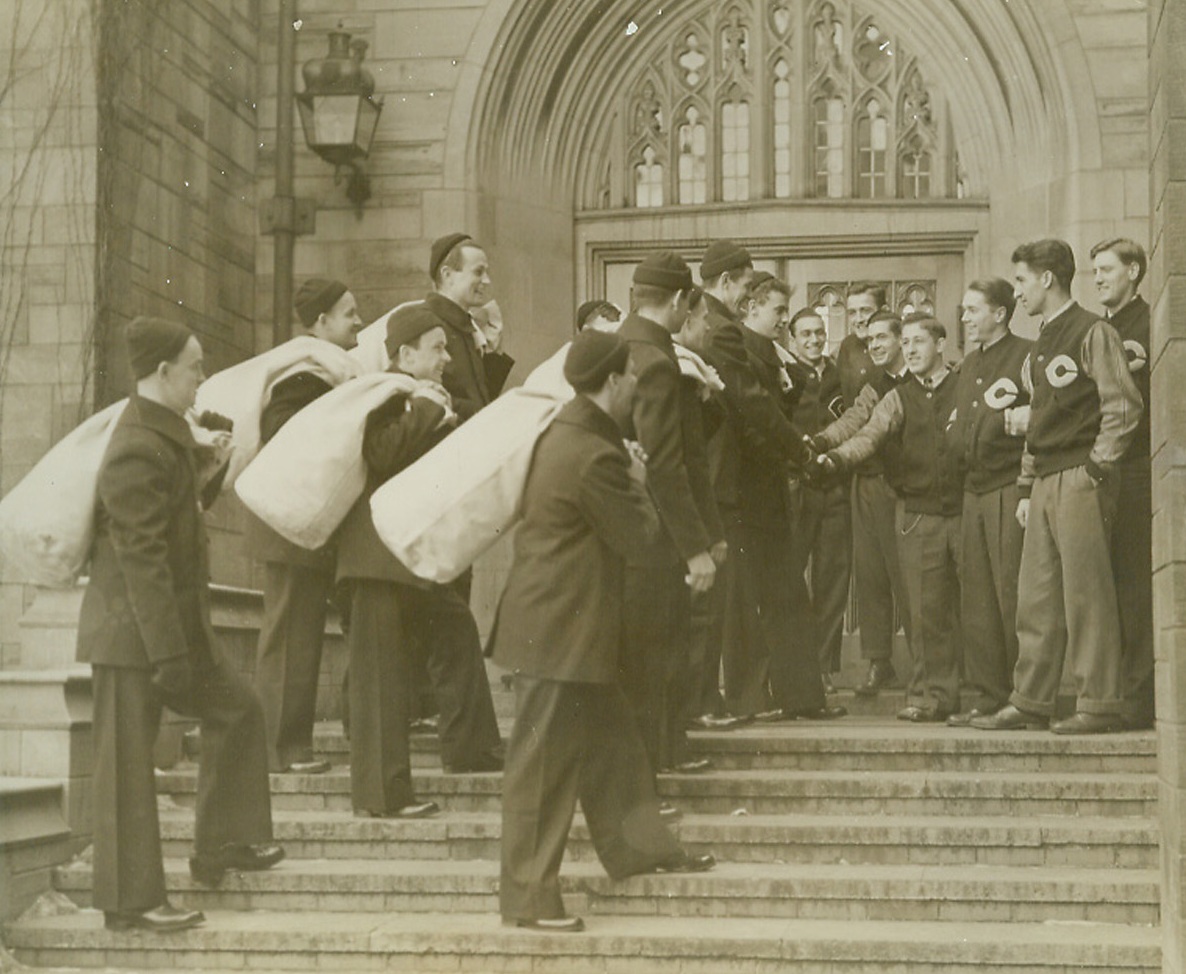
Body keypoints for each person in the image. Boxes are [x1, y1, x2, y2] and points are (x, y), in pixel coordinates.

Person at [494, 330, 715, 934]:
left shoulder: (575, 435)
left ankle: (641, 849)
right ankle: (528, 899)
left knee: (615, 749)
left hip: (566, 626)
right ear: (614, 382)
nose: (637, 389)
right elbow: (641, 540)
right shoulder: (593, 453)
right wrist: (641, 486)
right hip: (559, 631)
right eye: (632, 380)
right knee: (540, 769)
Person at [78, 317, 283, 933]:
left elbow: (182, 517)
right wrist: (170, 655)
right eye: (195, 366)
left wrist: (211, 465)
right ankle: (130, 901)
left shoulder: (165, 436)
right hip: (134, 636)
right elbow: (143, 562)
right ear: (163, 373)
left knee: (239, 708)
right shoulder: (136, 444)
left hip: (171, 627)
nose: (203, 376)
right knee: (126, 767)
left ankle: (222, 844)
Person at [335, 305, 503, 819]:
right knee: (381, 679)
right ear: (405, 355)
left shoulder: (423, 396)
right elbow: (383, 453)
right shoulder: (384, 393)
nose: (446, 358)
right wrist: (430, 409)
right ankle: (381, 798)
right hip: (377, 559)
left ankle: (472, 750)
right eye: (437, 348)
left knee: (454, 635)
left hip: (409, 557)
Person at [972, 239, 1142, 734]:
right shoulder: (1039, 342)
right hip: (1043, 481)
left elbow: (1124, 407)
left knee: (1087, 594)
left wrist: (1095, 469)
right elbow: (1037, 424)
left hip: (1079, 479)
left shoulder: (1094, 331)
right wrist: (1025, 488)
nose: (1018, 291)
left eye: (1023, 280)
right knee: (1037, 597)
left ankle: (1099, 702)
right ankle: (1031, 699)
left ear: (1047, 278)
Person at [708, 275, 842, 722]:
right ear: (750, 308)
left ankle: (801, 696)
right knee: (748, 598)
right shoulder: (739, 349)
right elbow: (750, 420)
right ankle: (751, 699)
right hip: (745, 490)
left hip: (768, 487)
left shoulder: (773, 355)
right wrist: (796, 455)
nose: (785, 320)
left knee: (786, 590)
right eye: (778, 312)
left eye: (787, 312)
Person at [818, 316, 963, 721]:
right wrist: (829, 454)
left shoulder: (961, 384)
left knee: (970, 604)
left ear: (937, 344)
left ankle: (977, 691)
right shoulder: (892, 394)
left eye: (919, 341)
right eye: (909, 342)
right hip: (912, 505)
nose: (912, 349)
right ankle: (926, 693)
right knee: (918, 602)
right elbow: (865, 430)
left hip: (961, 506)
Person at [251, 278, 363, 774]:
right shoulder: (304, 375)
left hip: (301, 523)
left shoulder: (323, 371)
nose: (358, 321)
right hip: (291, 522)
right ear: (321, 323)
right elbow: (283, 435)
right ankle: (281, 749)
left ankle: (287, 746)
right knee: (291, 635)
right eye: (349, 313)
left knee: (298, 633)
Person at [618, 253, 721, 779]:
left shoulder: (623, 348)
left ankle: (660, 751)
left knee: (647, 648)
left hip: (625, 530)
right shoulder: (658, 362)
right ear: (681, 301)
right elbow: (665, 464)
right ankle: (661, 754)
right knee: (661, 645)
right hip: (654, 537)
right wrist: (695, 546)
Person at [945, 279, 1031, 726]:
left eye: (973, 310)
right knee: (976, 598)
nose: (964, 318)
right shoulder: (967, 365)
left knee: (1010, 592)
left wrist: (1026, 490)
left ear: (1000, 313)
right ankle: (987, 694)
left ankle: (1023, 696)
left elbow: (1042, 423)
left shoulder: (1026, 355)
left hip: (1007, 488)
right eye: (963, 310)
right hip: (972, 493)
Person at [814, 310, 911, 696]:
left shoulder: (917, 381)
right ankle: (879, 663)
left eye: (883, 338)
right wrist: (820, 442)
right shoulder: (874, 382)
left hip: (904, 492)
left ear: (902, 338)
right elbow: (854, 418)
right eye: (870, 341)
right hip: (866, 484)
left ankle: (926, 666)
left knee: (909, 579)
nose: (875, 346)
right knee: (870, 578)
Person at [1091, 237, 1153, 728]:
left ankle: (1137, 697)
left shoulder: (1150, 323)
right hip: (1100, 468)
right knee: (1105, 583)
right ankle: (1110, 693)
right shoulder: (1099, 330)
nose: (1098, 278)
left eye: (1107, 268)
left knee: (1133, 582)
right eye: (1093, 270)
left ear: (1133, 270)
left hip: (1135, 469)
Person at [781, 307, 850, 694]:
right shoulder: (784, 375)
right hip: (796, 488)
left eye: (818, 333)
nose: (813, 340)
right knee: (790, 579)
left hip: (835, 486)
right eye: (804, 334)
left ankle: (823, 668)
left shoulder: (841, 377)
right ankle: (793, 668)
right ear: (792, 339)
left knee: (833, 580)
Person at [423, 233, 514, 420]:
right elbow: (426, 396)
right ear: (448, 275)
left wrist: (494, 355)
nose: (487, 281)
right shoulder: (427, 325)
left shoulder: (466, 325)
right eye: (478, 272)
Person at [700, 240, 755, 330]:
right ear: (725, 280)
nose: (750, 294)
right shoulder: (725, 330)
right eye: (747, 286)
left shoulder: (693, 321)